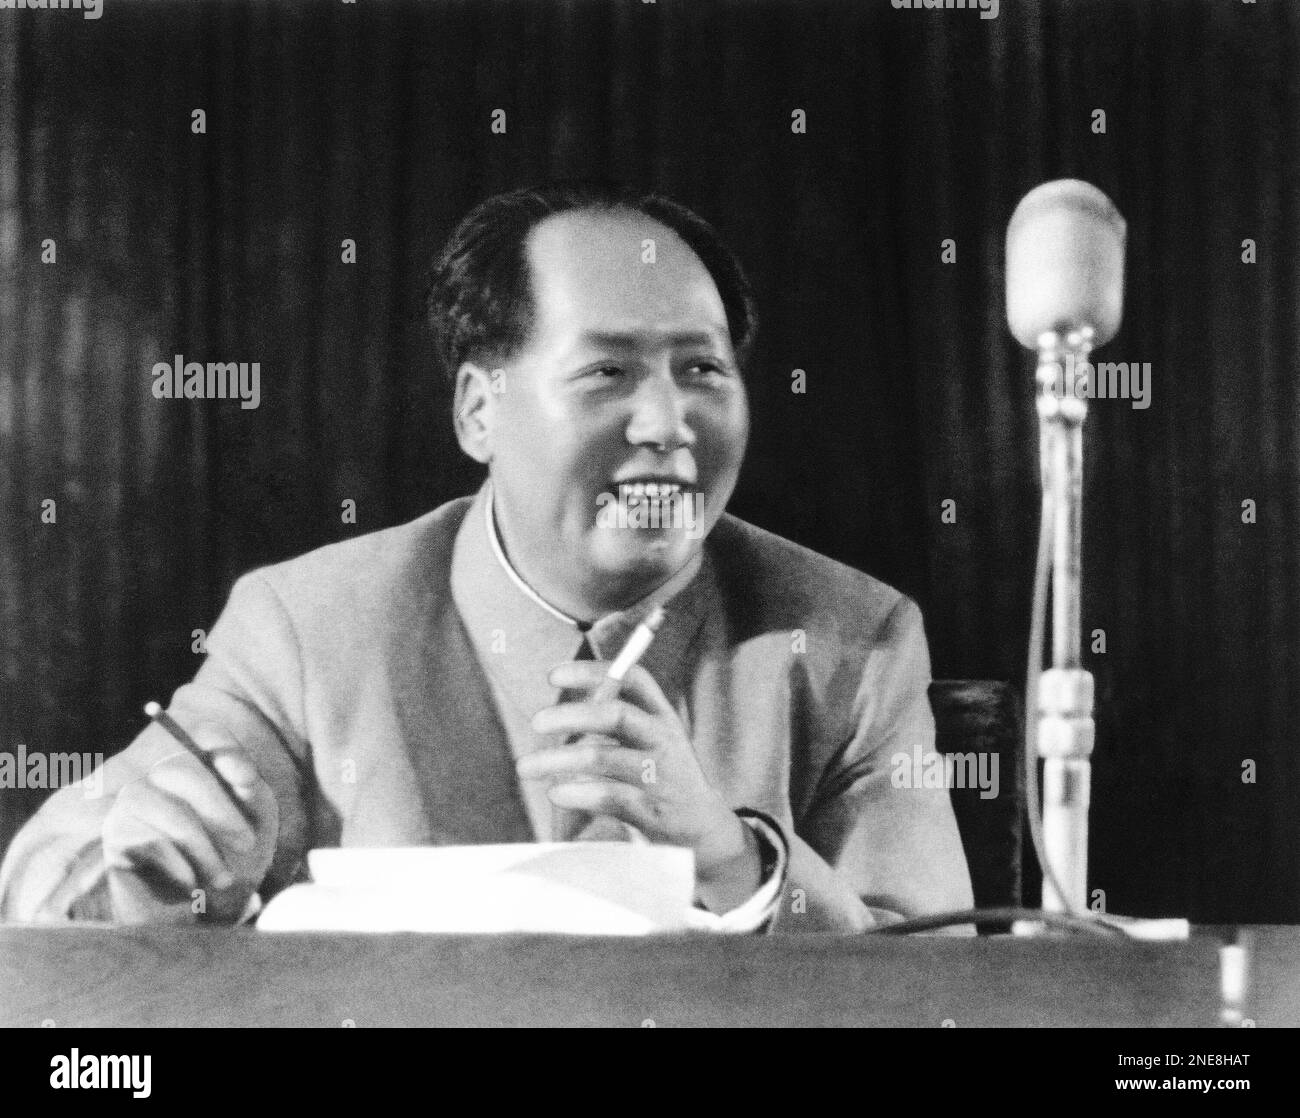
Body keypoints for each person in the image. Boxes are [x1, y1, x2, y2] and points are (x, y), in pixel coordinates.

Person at [0, 182, 973, 932]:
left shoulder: (853, 640)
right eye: (607, 372)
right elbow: (49, 879)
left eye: (702, 370)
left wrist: (734, 861)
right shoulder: (308, 627)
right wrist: (145, 866)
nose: (669, 423)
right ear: (479, 408)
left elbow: (940, 983)